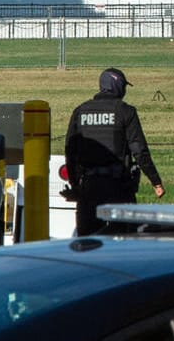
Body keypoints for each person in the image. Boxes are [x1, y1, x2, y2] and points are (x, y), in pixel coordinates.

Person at [65, 68, 163, 236]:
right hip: (118, 187)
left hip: (89, 187)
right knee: (125, 241)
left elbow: (71, 150)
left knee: (86, 242)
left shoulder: (80, 111)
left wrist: (75, 185)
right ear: (117, 86)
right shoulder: (125, 111)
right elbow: (139, 150)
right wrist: (156, 182)